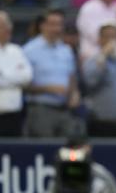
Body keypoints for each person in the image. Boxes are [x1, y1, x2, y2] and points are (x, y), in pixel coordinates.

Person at [23, 9, 83, 137]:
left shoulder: (66, 50)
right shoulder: (29, 50)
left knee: (69, 152)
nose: (57, 28)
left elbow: (71, 77)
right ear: (42, 25)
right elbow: (23, 85)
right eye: (53, 24)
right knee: (44, 149)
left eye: (60, 24)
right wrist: (48, 88)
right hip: (40, 108)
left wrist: (74, 93)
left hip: (65, 109)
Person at [81, 22, 116, 137]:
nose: (111, 40)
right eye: (107, 36)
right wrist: (103, 54)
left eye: (114, 37)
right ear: (99, 39)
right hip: (101, 124)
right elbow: (90, 82)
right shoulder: (92, 61)